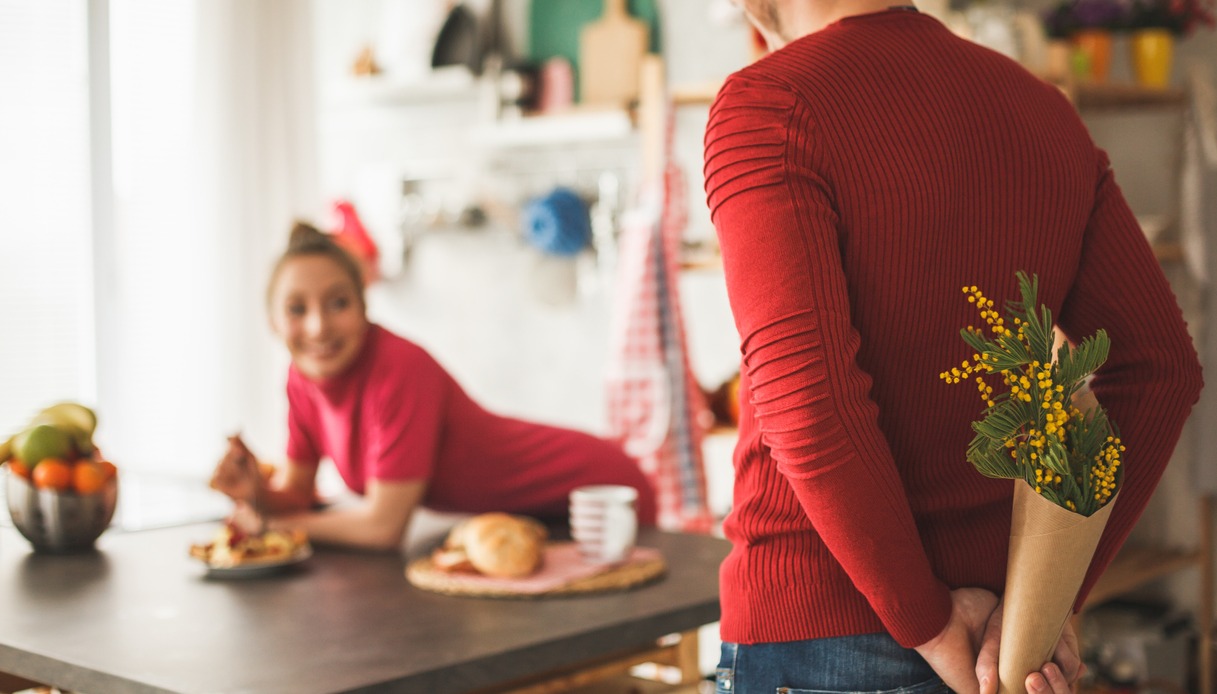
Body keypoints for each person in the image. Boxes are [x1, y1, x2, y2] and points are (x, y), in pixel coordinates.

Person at [703, 2, 1203, 694]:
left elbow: (807, 405)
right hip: (1004, 640)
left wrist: (928, 623)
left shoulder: (771, 102)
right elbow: (1161, 371)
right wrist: (1048, 599)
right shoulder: (1039, 109)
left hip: (826, 630)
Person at [209, 222, 657, 551]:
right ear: (272, 322)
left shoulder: (400, 367)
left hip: (602, 488)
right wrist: (257, 493)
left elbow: (383, 529)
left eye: (338, 303)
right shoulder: (300, 379)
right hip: (531, 514)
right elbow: (299, 494)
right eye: (296, 308)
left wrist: (269, 523)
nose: (318, 325)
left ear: (365, 306)